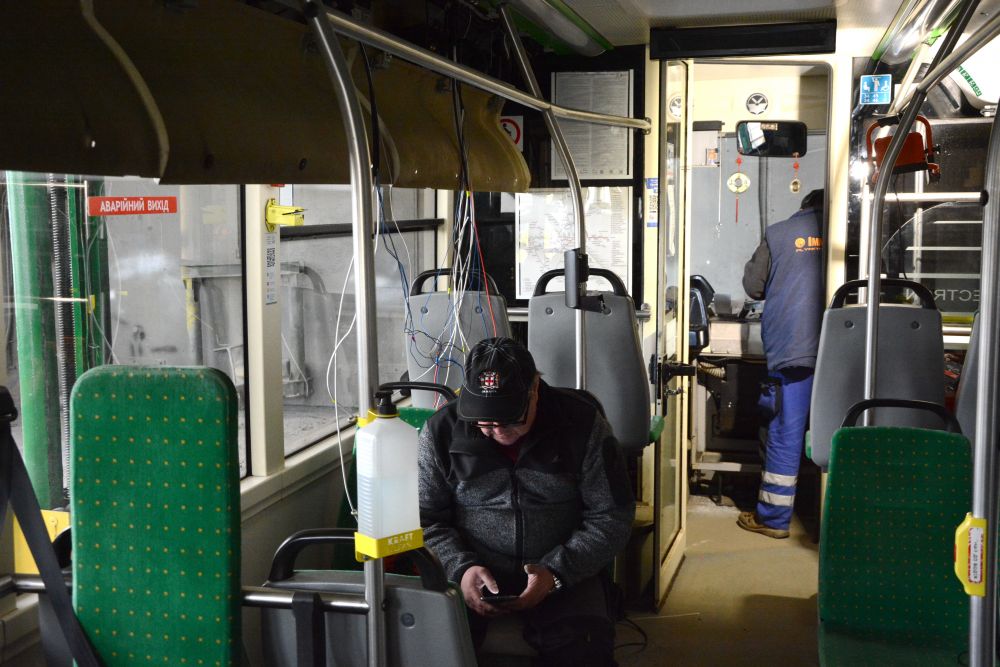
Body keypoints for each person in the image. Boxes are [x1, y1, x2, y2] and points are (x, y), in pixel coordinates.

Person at [417, 337, 634, 666]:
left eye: (509, 419)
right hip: (471, 569)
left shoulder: (583, 425)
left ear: (534, 389)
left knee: (585, 648)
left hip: (563, 568)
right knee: (426, 644)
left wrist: (556, 572)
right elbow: (425, 518)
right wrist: (459, 568)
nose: (494, 430)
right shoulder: (441, 432)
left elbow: (612, 516)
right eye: (483, 420)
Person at [738, 189, 824, 539]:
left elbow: (753, 287)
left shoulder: (778, 233)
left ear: (803, 207)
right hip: (844, 350)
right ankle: (843, 524)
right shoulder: (851, 232)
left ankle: (774, 519)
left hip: (793, 349)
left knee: (786, 431)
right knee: (846, 432)